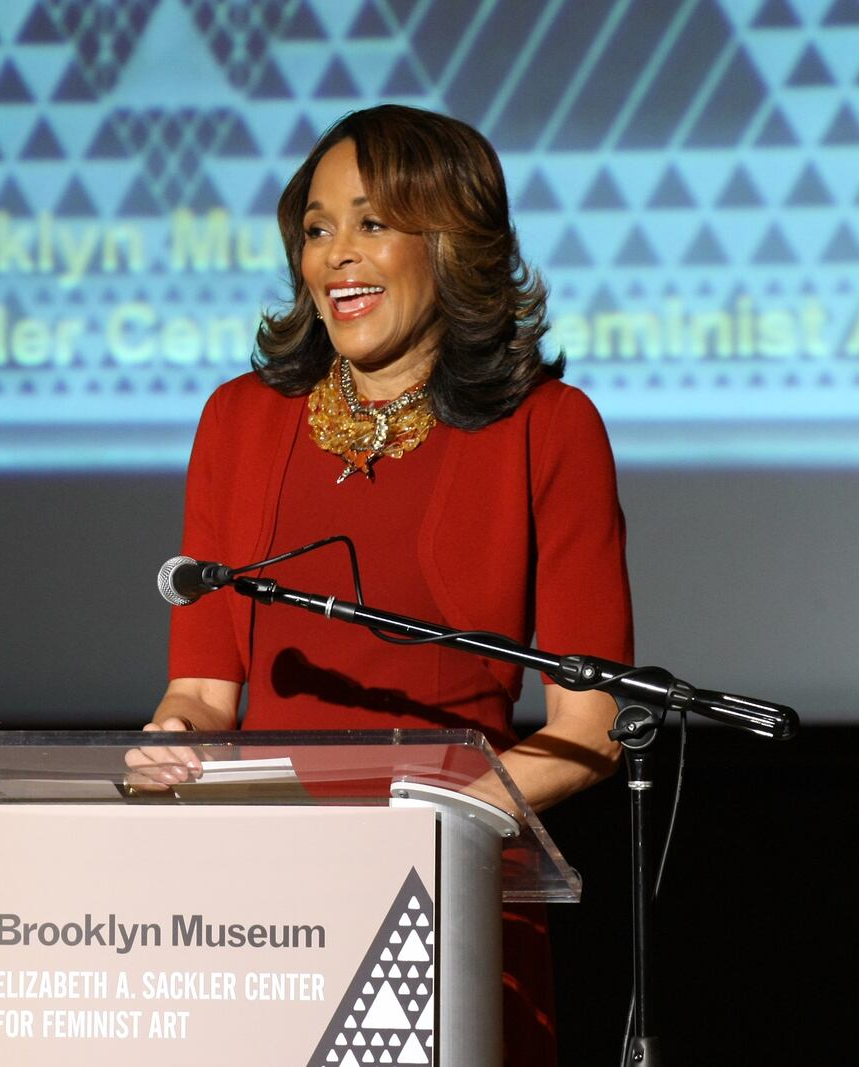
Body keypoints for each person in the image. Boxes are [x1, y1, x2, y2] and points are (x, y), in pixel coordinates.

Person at [135, 104, 633, 1065]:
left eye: (372, 223)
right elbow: (199, 692)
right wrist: (174, 742)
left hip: (446, 901)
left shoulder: (550, 428)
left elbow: (590, 729)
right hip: (261, 909)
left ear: (451, 240)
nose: (337, 257)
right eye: (317, 229)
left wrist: (435, 822)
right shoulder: (239, 420)